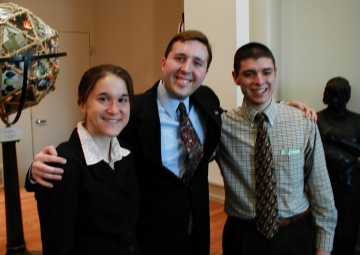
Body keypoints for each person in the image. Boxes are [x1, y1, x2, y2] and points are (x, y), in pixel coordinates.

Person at [26, 31, 316, 255]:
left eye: (198, 62)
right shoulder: (131, 112)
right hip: (150, 237)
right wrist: (35, 169)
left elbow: (241, 122)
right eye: (179, 58)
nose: (186, 68)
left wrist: (283, 110)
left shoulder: (208, 101)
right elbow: (92, 142)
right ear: (164, 62)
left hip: (199, 233)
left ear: (205, 72)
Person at [215, 42, 338, 255]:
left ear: (275, 73)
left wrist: (324, 248)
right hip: (244, 237)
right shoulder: (221, 126)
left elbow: (321, 190)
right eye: (249, 74)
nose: (259, 81)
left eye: (266, 72)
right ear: (236, 77)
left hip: (294, 235)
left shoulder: (303, 121)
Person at [27, 64, 140, 255]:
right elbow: (58, 245)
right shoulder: (63, 165)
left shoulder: (126, 152)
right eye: (103, 99)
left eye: (122, 100)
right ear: (83, 104)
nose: (114, 109)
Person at [317, 77, 360, 255]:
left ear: (347, 96)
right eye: (332, 95)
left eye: (340, 96)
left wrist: (338, 140)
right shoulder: (316, 117)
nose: (335, 100)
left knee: (347, 225)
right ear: (325, 96)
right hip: (323, 179)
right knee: (322, 222)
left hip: (350, 183)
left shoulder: (356, 120)